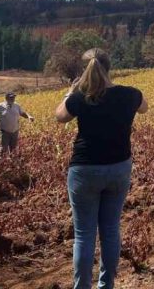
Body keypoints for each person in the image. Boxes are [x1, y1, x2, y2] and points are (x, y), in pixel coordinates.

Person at [55, 48, 148, 289]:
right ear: (109, 67)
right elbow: (144, 107)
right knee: (110, 229)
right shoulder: (129, 94)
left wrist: (70, 92)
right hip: (118, 168)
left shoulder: (80, 98)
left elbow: (60, 116)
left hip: (84, 170)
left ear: (84, 70)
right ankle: (106, 286)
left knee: (84, 235)